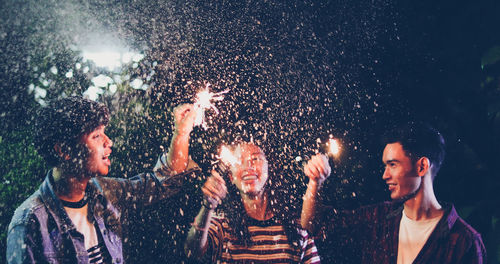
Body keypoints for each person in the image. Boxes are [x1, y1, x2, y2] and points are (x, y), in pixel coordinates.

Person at [6, 96, 199, 264]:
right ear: (63, 150)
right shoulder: (30, 223)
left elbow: (164, 182)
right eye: (96, 136)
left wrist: (181, 133)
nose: (109, 142)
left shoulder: (105, 192)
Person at [301, 122, 486, 264]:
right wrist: (314, 182)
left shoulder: (464, 241)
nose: (385, 175)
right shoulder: (378, 220)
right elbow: (312, 226)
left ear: (421, 166)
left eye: (393, 164)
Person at [184, 141, 321, 263]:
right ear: (231, 177)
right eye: (239, 160)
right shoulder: (220, 224)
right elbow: (192, 251)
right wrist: (208, 206)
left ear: (268, 169)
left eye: (255, 158)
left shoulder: (295, 226)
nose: (248, 166)